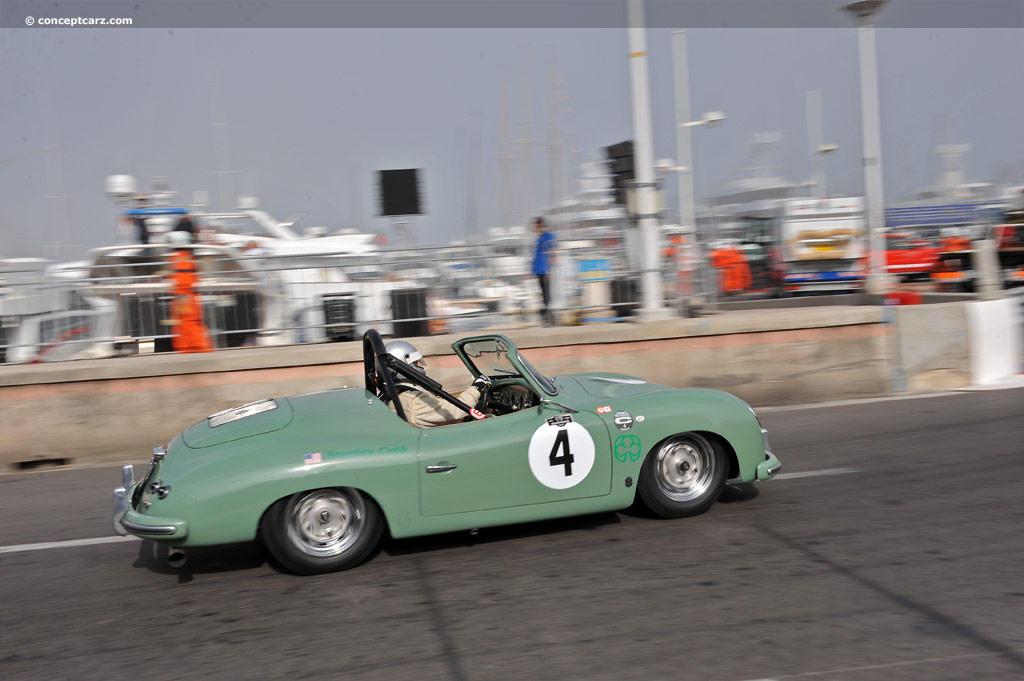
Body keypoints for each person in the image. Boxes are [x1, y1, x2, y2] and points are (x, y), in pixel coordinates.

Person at [385, 340, 490, 427]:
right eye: (415, 363)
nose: (419, 366)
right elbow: (455, 411)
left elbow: (439, 404)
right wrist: (476, 388)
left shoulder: (399, 394)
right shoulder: (412, 402)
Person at [166, 230, 213, 353]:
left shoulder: (179, 258)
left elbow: (183, 280)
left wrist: (180, 295)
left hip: (184, 297)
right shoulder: (186, 257)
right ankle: (192, 348)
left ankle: (193, 348)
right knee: (188, 323)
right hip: (186, 296)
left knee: (187, 323)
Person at [531, 216, 556, 325]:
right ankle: (546, 312)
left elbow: (552, 253)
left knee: (547, 293)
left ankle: (547, 312)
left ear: (541, 226)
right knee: (543, 292)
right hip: (539, 270)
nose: (536, 228)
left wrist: (549, 270)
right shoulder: (539, 238)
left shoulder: (549, 236)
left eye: (537, 226)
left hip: (546, 270)